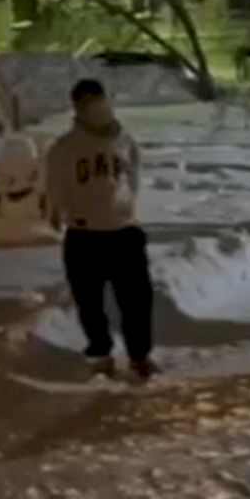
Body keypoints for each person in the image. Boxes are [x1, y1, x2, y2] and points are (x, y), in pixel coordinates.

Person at [46, 79, 156, 380]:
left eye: (99, 100)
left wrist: (123, 209)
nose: (96, 108)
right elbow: (56, 189)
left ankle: (139, 356)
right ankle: (100, 353)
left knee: (136, 300)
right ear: (78, 108)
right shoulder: (64, 148)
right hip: (84, 236)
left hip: (124, 232)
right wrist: (66, 214)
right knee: (89, 302)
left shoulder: (125, 141)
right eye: (88, 103)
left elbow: (134, 179)